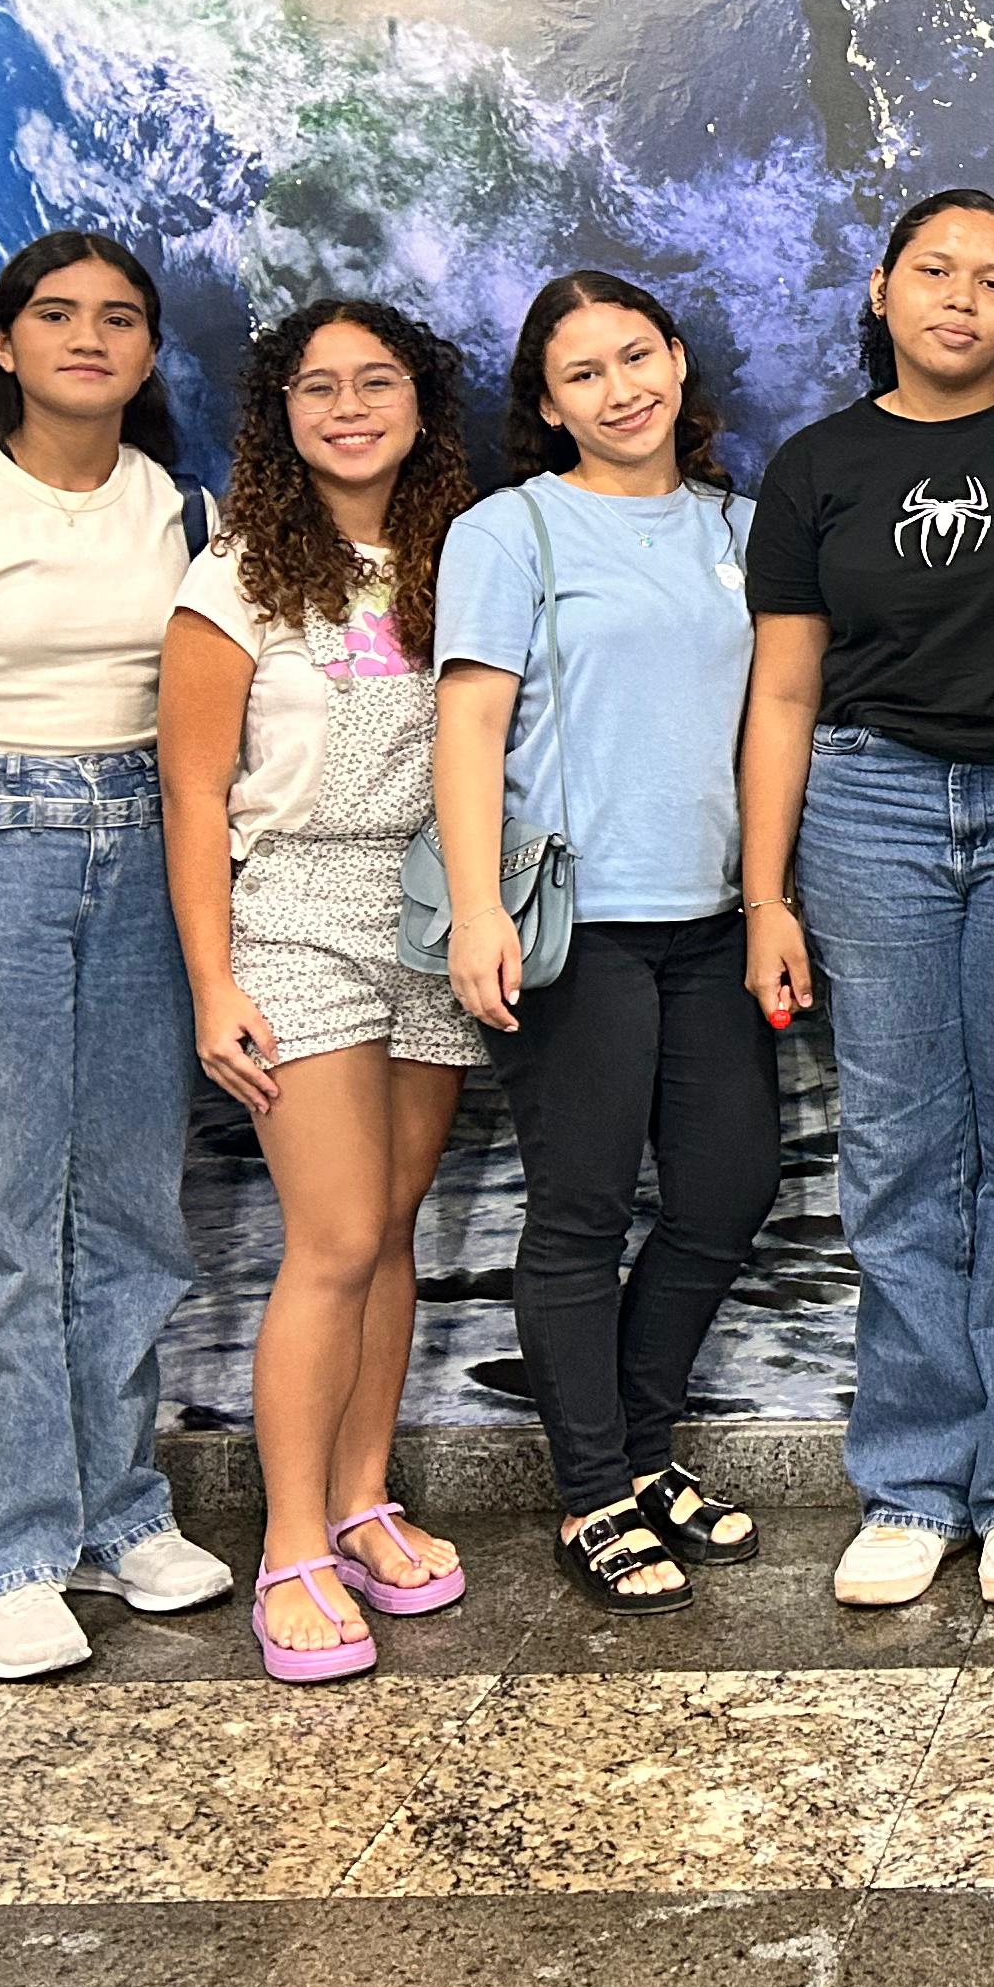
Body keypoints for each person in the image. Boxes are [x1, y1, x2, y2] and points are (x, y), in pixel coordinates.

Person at [0, 231, 235, 1680]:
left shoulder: (180, 513)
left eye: (119, 317)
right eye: (57, 315)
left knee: (131, 1213)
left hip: (144, 852)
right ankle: (3, 1557)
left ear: (148, 353)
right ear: (4, 345)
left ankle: (116, 1512)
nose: (89, 337)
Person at [740, 190, 994, 1611]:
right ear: (884, 290)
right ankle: (911, 1483)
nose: (961, 298)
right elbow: (785, 693)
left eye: (993, 280)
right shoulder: (818, 465)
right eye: (935, 271)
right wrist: (765, 893)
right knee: (899, 1156)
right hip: (868, 807)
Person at [434, 270, 776, 1615]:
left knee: (726, 1193)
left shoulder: (742, 528)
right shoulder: (511, 530)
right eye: (583, 373)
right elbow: (469, 727)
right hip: (575, 925)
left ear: (678, 362)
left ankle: (638, 1453)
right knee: (579, 1212)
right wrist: (477, 908)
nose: (620, 389)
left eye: (637, 357)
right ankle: (593, 1494)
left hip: (713, 921)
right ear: (547, 404)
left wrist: (770, 899)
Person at [157, 298, 483, 1683]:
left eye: (377, 381)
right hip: (295, 911)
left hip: (433, 910)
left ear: (421, 403)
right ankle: (290, 1545)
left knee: (392, 1229)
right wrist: (212, 979)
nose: (349, 408)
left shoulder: (464, 557)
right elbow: (189, 791)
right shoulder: (235, 577)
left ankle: (361, 1502)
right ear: (279, 414)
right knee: (334, 1235)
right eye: (317, 387)